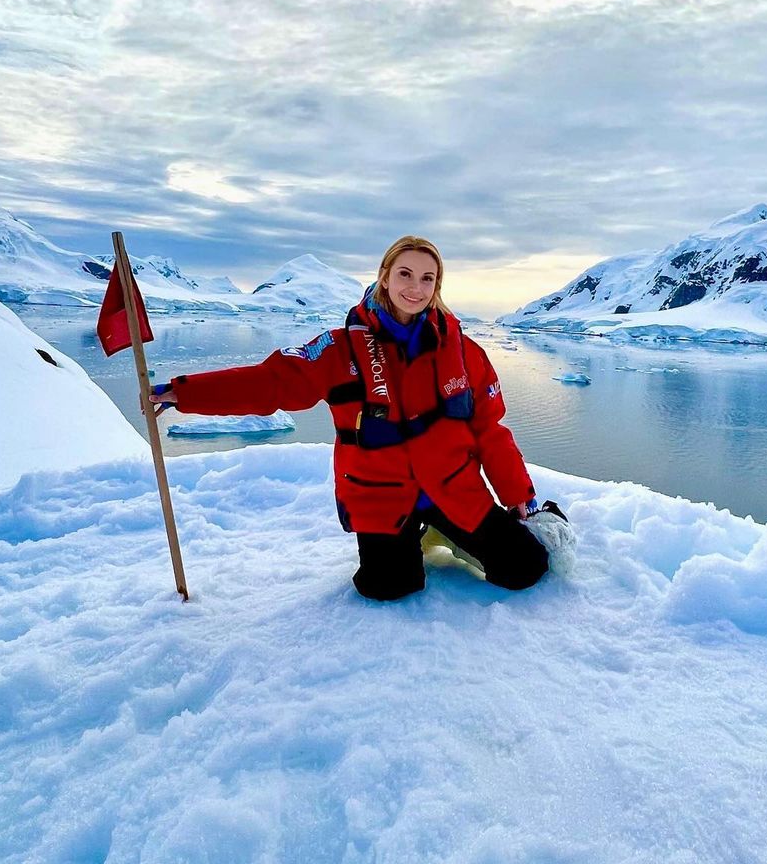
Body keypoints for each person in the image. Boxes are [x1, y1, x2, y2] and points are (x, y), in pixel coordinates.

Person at [151, 235, 549, 601]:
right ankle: (418, 535)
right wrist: (183, 392)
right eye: (405, 274)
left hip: (452, 489)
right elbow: (270, 382)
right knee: (389, 587)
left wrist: (518, 497)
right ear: (384, 276)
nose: (415, 288)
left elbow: (489, 430)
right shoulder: (339, 350)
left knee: (526, 568)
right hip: (381, 494)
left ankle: (447, 529)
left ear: (437, 286)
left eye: (427, 279)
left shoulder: (464, 352)